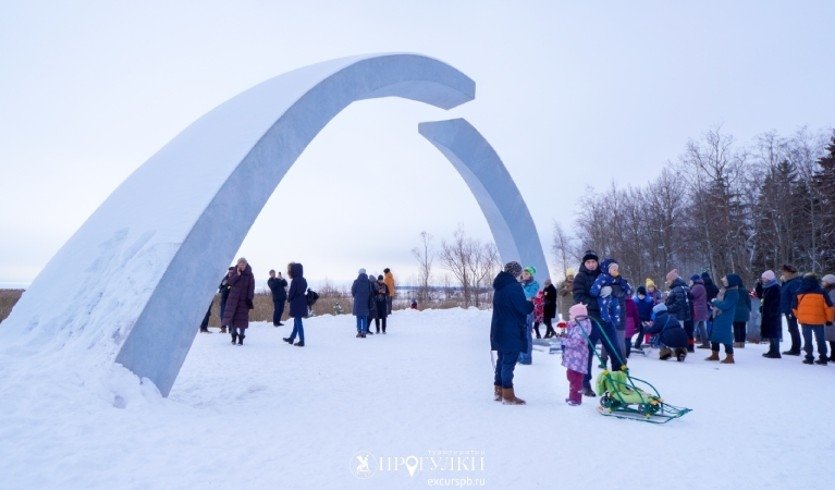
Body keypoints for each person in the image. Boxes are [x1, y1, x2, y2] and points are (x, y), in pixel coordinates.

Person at [490, 261, 533, 405]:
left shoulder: (499, 287)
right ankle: (507, 395)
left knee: (502, 360)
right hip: (511, 329)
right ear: (516, 273)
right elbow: (523, 308)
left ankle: (499, 391)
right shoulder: (514, 287)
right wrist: (530, 303)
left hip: (499, 329)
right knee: (508, 362)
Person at [590, 258, 631, 370]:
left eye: (616, 268)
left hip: (619, 312)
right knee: (608, 337)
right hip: (606, 311)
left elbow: (626, 291)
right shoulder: (603, 277)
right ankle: (604, 359)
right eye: (613, 268)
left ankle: (622, 362)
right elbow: (595, 289)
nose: (615, 270)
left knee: (619, 339)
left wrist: (612, 289)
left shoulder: (620, 279)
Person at [572, 250, 602, 397]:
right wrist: (598, 303)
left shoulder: (603, 275)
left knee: (614, 348)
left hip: (605, 319)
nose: (591, 265)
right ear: (584, 264)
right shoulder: (580, 277)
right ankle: (585, 383)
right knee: (588, 351)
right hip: (589, 319)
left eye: (593, 262)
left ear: (597, 263)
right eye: (588, 262)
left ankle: (617, 382)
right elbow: (579, 297)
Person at [792, 273, 834, 365]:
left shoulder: (799, 292)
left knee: (807, 339)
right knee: (820, 339)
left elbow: (794, 307)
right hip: (818, 320)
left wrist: (800, 316)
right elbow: (829, 307)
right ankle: (823, 358)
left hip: (804, 320)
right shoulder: (822, 292)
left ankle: (809, 357)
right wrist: (829, 319)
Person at [561, 303, 592, 406]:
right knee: (571, 376)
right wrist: (567, 328)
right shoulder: (577, 325)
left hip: (578, 358)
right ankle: (572, 396)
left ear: (578, 315)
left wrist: (563, 340)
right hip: (573, 358)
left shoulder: (582, 327)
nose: (569, 317)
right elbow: (572, 334)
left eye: (571, 315)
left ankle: (576, 399)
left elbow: (575, 342)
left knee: (576, 379)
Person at [707, 274, 741, 364]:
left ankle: (729, 356)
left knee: (725, 336)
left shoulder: (733, 293)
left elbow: (725, 305)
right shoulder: (725, 290)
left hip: (726, 317)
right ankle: (715, 354)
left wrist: (715, 302)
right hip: (718, 315)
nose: (724, 283)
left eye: (725, 281)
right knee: (715, 336)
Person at [222, 257, 255, 346]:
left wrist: (249, 298)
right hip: (233, 299)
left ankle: (241, 337)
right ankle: (233, 336)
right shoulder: (234, 272)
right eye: (240, 264)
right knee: (233, 319)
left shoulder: (249, 275)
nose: (241, 266)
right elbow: (230, 282)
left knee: (242, 320)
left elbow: (251, 288)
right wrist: (237, 275)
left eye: (243, 264)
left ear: (246, 265)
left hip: (243, 301)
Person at [779, 264, 803, 355]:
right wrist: (784, 282)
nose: (783, 274)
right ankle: (795, 347)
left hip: (791, 309)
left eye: (784, 272)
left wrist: (792, 308)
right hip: (788, 308)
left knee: (793, 328)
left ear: (789, 272)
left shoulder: (795, 282)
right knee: (791, 328)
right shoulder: (788, 282)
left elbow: (795, 296)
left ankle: (796, 349)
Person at [518, 266, 540, 365]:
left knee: (526, 334)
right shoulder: (520, 283)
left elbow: (529, 295)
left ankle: (526, 358)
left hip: (527, 310)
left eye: (527, 273)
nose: (524, 275)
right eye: (524, 273)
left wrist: (520, 287)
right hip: (519, 310)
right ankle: (519, 356)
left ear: (531, 275)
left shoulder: (534, 284)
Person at [283, 262, 307, 347]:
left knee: (298, 321)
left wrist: (288, 299)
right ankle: (292, 338)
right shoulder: (303, 279)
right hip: (302, 302)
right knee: (296, 320)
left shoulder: (294, 280)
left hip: (296, 303)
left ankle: (302, 340)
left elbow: (291, 293)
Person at [759, 270, 782, 358]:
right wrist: (763, 307)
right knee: (770, 333)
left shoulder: (775, 287)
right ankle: (772, 349)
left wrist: (772, 311)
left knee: (774, 332)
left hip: (773, 314)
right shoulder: (767, 287)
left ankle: (776, 351)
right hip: (768, 313)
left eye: (764, 278)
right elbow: (763, 299)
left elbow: (776, 301)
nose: (763, 280)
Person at [690, 275, 710, 349]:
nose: (690, 282)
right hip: (702, 310)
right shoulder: (701, 286)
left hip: (697, 310)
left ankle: (690, 344)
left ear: (694, 280)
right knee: (702, 328)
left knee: (692, 328)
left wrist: (687, 290)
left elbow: (691, 296)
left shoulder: (697, 287)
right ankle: (706, 343)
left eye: (691, 280)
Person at [351, 269, 371, 338]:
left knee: (359, 317)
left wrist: (356, 296)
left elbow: (353, 291)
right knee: (365, 317)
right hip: (366, 301)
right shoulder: (368, 282)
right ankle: (364, 332)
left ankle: (359, 332)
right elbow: (370, 291)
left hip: (358, 302)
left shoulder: (356, 281)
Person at [732, 275, 751, 348]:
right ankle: (742, 343)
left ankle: (737, 342)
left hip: (735, 311)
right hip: (744, 311)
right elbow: (748, 301)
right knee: (743, 327)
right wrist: (749, 309)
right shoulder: (745, 290)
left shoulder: (733, 291)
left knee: (736, 327)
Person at [218, 266, 234, 334]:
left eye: (232, 272)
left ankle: (231, 328)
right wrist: (223, 286)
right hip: (224, 298)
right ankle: (223, 328)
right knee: (223, 313)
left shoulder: (236, 278)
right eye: (229, 271)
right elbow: (220, 286)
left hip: (232, 298)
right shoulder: (225, 278)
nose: (230, 273)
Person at [823, 274, 835, 358]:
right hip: (829, 316)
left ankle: (833, 355)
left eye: (824, 281)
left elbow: (831, 303)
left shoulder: (832, 292)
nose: (823, 283)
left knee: (833, 337)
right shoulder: (827, 290)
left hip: (832, 317)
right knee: (831, 337)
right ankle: (832, 354)